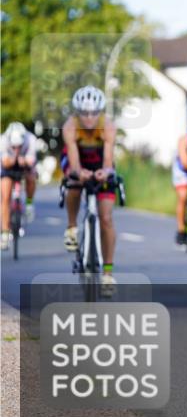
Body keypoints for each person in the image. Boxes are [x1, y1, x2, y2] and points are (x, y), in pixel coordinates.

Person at [61, 85, 119, 292]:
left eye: (94, 113)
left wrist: (105, 172)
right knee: (74, 182)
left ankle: (108, 274)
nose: (89, 118)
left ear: (100, 112)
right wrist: (79, 172)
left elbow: (108, 161)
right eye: (84, 113)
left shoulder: (108, 126)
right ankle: (72, 227)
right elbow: (74, 161)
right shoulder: (70, 126)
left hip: (100, 163)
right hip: (78, 162)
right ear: (77, 112)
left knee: (106, 218)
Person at [1, 122, 38, 250]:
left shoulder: (31, 139)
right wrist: (15, 158)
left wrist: (24, 160)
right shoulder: (3, 141)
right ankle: (5, 233)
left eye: (19, 146)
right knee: (5, 197)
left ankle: (29, 203)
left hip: (25, 164)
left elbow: (31, 161)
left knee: (31, 176)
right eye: (14, 146)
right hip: (8, 167)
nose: (17, 148)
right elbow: (5, 163)